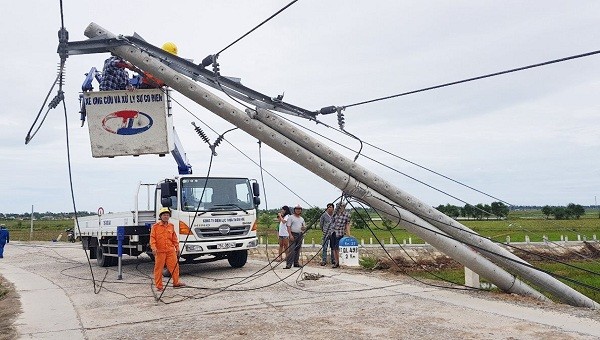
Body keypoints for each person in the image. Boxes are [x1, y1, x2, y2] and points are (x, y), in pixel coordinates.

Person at [150, 207, 186, 291]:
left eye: (167, 215)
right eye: (164, 215)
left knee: (175, 267)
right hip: (160, 251)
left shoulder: (171, 226)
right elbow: (152, 239)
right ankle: (159, 286)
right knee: (159, 269)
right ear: (161, 216)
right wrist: (154, 248)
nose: (166, 216)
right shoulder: (155, 227)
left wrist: (177, 248)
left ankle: (176, 283)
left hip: (170, 251)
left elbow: (174, 239)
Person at [330, 203, 351, 268]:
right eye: (338, 207)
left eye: (341, 207)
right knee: (334, 248)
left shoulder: (347, 215)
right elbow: (331, 222)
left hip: (340, 233)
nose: (339, 208)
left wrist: (348, 234)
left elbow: (347, 225)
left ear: (344, 207)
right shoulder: (335, 213)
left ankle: (340, 262)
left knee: (338, 248)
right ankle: (336, 262)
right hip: (333, 232)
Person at [285, 204, 306, 269]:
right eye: (297, 209)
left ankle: (296, 263)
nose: (298, 210)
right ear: (294, 210)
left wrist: (303, 229)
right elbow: (288, 226)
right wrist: (290, 235)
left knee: (297, 249)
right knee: (291, 249)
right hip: (293, 234)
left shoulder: (302, 219)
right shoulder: (291, 217)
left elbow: (304, 227)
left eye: (299, 209)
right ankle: (289, 264)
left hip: (300, 234)